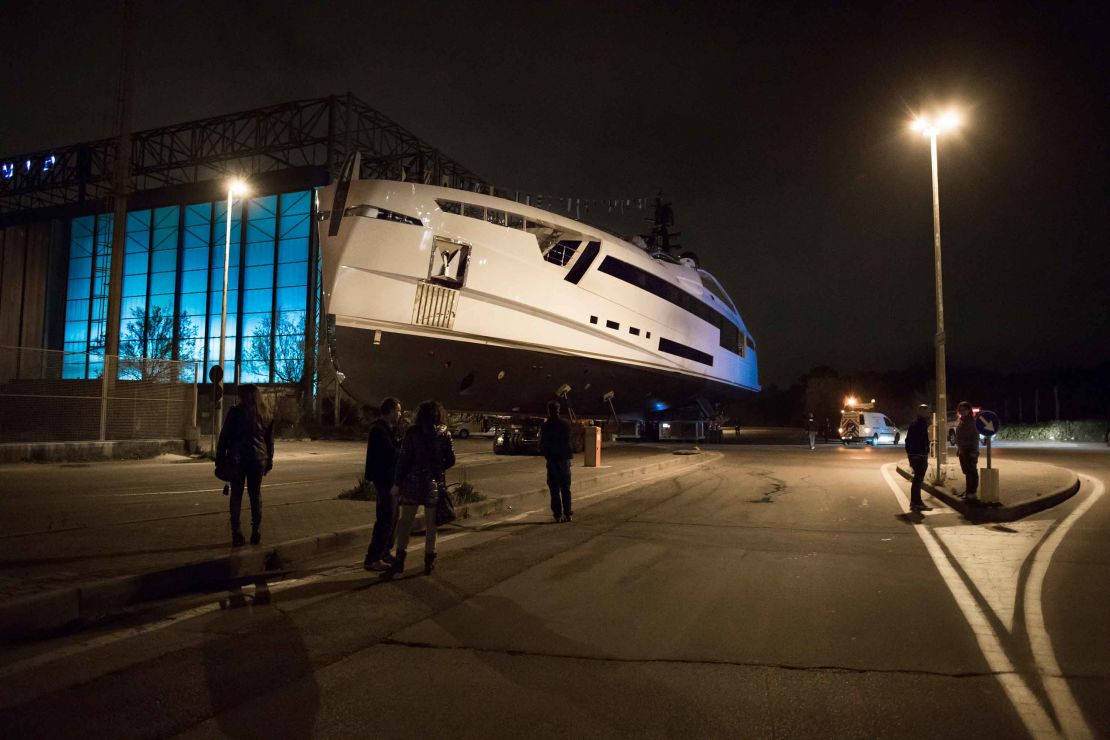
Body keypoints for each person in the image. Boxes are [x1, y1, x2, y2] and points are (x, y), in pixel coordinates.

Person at [382, 400, 455, 579]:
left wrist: (397, 483)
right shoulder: (444, 433)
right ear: (438, 414)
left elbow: (404, 460)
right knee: (431, 525)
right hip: (433, 483)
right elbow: (451, 459)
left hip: (412, 482)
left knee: (405, 523)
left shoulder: (413, 432)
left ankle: (399, 561)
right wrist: (438, 468)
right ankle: (429, 561)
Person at [216, 385, 274, 547]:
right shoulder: (266, 413)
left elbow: (224, 437)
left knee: (236, 496)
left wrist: (220, 460)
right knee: (255, 495)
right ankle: (256, 532)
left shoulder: (235, 412)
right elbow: (269, 442)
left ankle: (237, 533)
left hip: (237, 460)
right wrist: (269, 461)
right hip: (258, 460)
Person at [363, 397, 403, 572]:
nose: (400, 414)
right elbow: (391, 453)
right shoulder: (379, 430)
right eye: (398, 410)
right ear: (390, 411)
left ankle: (385, 551)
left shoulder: (389, 429)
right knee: (385, 518)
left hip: (390, 479)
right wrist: (403, 449)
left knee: (393, 517)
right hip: (384, 480)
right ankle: (373, 558)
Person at [540, 400, 574, 522]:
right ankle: (568, 513)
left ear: (549, 411)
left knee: (554, 490)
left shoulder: (545, 426)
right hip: (564, 460)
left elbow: (543, 444)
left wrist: (547, 456)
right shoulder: (566, 424)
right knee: (566, 488)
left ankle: (557, 515)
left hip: (552, 461)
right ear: (559, 410)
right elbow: (569, 442)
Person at [905, 405, 933, 511]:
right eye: (926, 411)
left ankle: (917, 501)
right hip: (919, 455)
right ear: (921, 412)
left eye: (928, 411)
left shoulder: (919, 423)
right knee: (918, 479)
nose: (928, 413)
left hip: (918, 454)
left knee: (918, 479)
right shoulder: (919, 423)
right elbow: (913, 440)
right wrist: (915, 454)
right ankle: (915, 502)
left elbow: (910, 440)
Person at [955, 401, 980, 502]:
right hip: (963, 450)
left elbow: (975, 437)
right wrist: (959, 449)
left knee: (971, 472)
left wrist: (974, 451)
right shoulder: (962, 421)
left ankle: (972, 494)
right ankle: (968, 492)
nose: (961, 411)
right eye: (960, 410)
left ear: (969, 410)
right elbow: (959, 437)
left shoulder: (971, 421)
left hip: (970, 450)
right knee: (967, 472)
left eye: (964, 409)